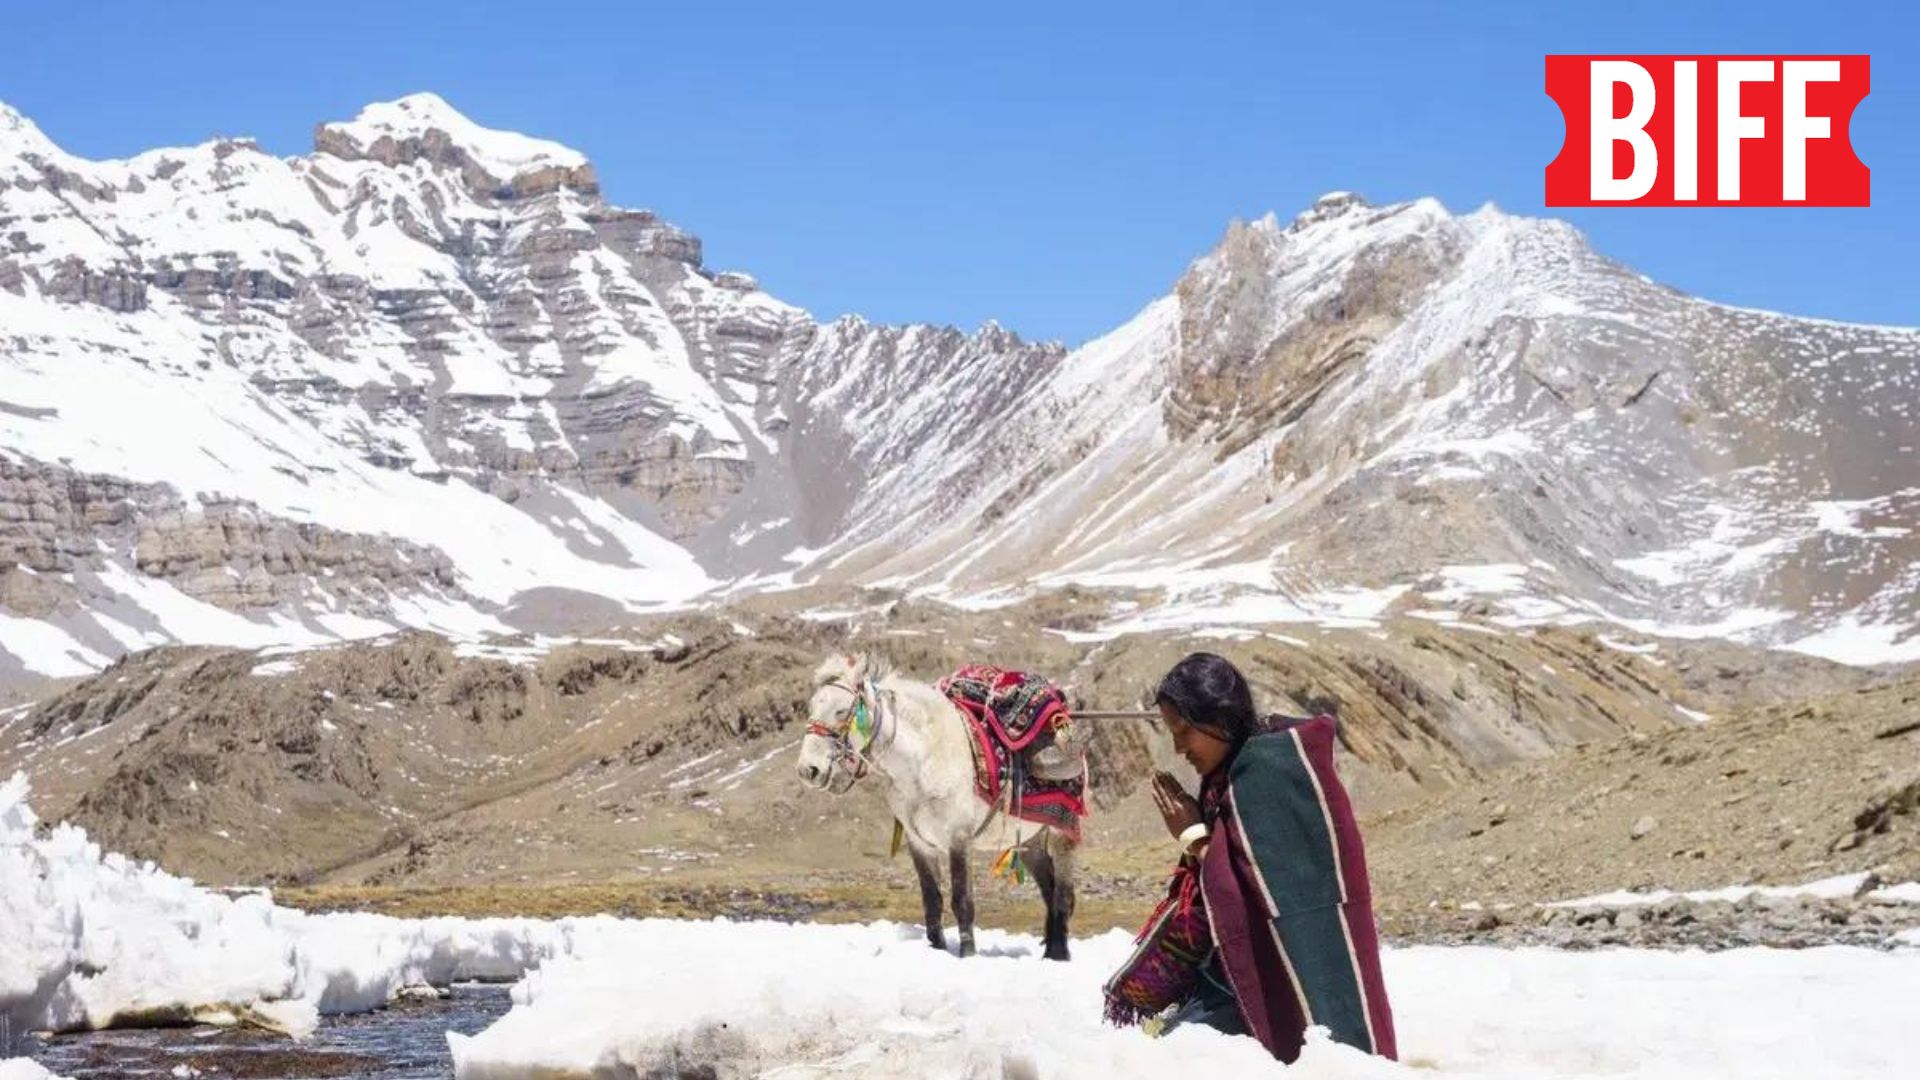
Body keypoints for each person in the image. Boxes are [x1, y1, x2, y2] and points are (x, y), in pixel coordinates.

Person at [1103, 652, 1397, 1064]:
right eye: (1172, 732)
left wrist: (1193, 837)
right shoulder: (1230, 776)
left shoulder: (1271, 772)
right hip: (1229, 982)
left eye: (1185, 730)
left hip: (1285, 990)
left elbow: (1257, 891)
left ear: (1219, 718)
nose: (1178, 747)